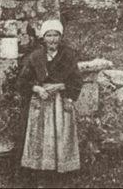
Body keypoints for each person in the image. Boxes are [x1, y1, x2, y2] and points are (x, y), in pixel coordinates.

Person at [16, 19, 82, 175]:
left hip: (61, 100)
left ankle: (61, 173)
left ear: (60, 37)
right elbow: (21, 82)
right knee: (41, 136)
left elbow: (77, 80)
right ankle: (41, 174)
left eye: (56, 35)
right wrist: (38, 88)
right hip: (41, 101)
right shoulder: (36, 57)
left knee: (61, 135)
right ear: (43, 38)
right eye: (49, 35)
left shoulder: (68, 55)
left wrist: (64, 90)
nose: (52, 39)